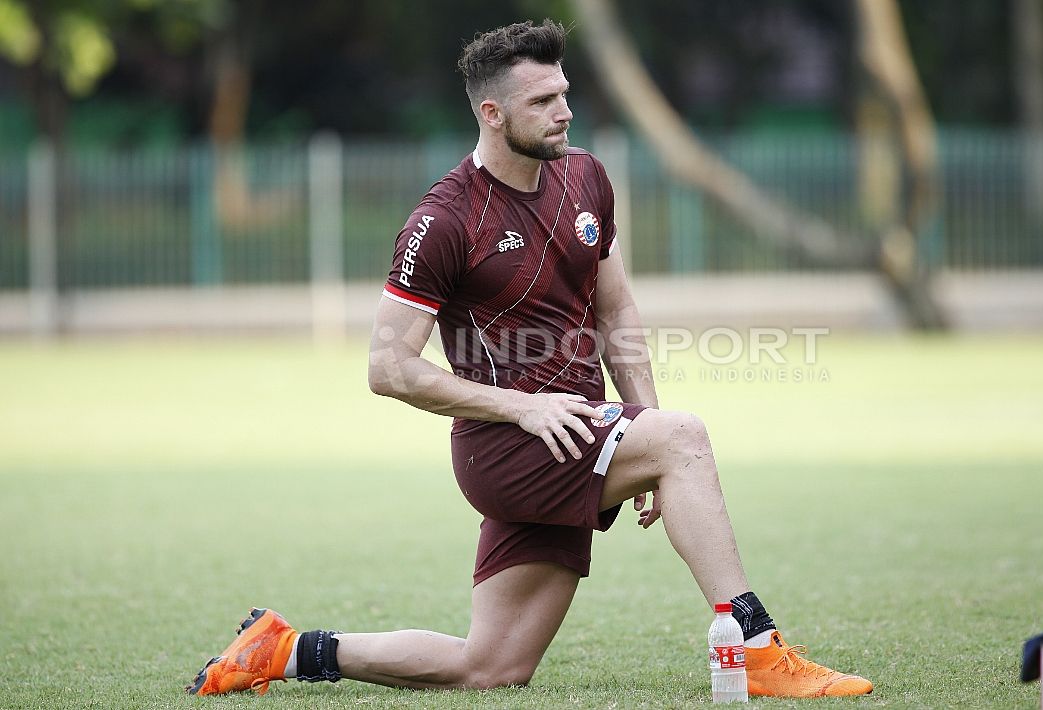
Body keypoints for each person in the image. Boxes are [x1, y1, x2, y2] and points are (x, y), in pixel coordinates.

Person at [186, 19, 872, 699]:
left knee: (491, 666)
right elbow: (387, 367)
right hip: (506, 451)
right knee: (686, 439)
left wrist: (640, 425)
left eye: (564, 94)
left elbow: (618, 312)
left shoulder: (587, 179)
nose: (564, 111)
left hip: (576, 434)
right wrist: (536, 410)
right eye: (542, 101)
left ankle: (283, 649)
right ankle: (755, 648)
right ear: (492, 112)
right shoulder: (445, 220)